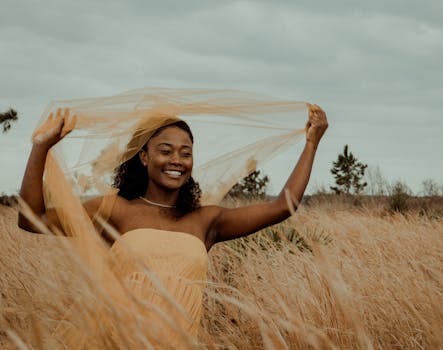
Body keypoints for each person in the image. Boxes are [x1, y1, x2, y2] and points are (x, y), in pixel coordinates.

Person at [17, 91, 327, 348]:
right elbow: (33, 218)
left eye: (186, 153)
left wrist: (311, 144)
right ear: (145, 156)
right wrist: (40, 148)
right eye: (166, 151)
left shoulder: (207, 221)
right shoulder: (116, 210)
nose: (176, 160)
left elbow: (283, 206)